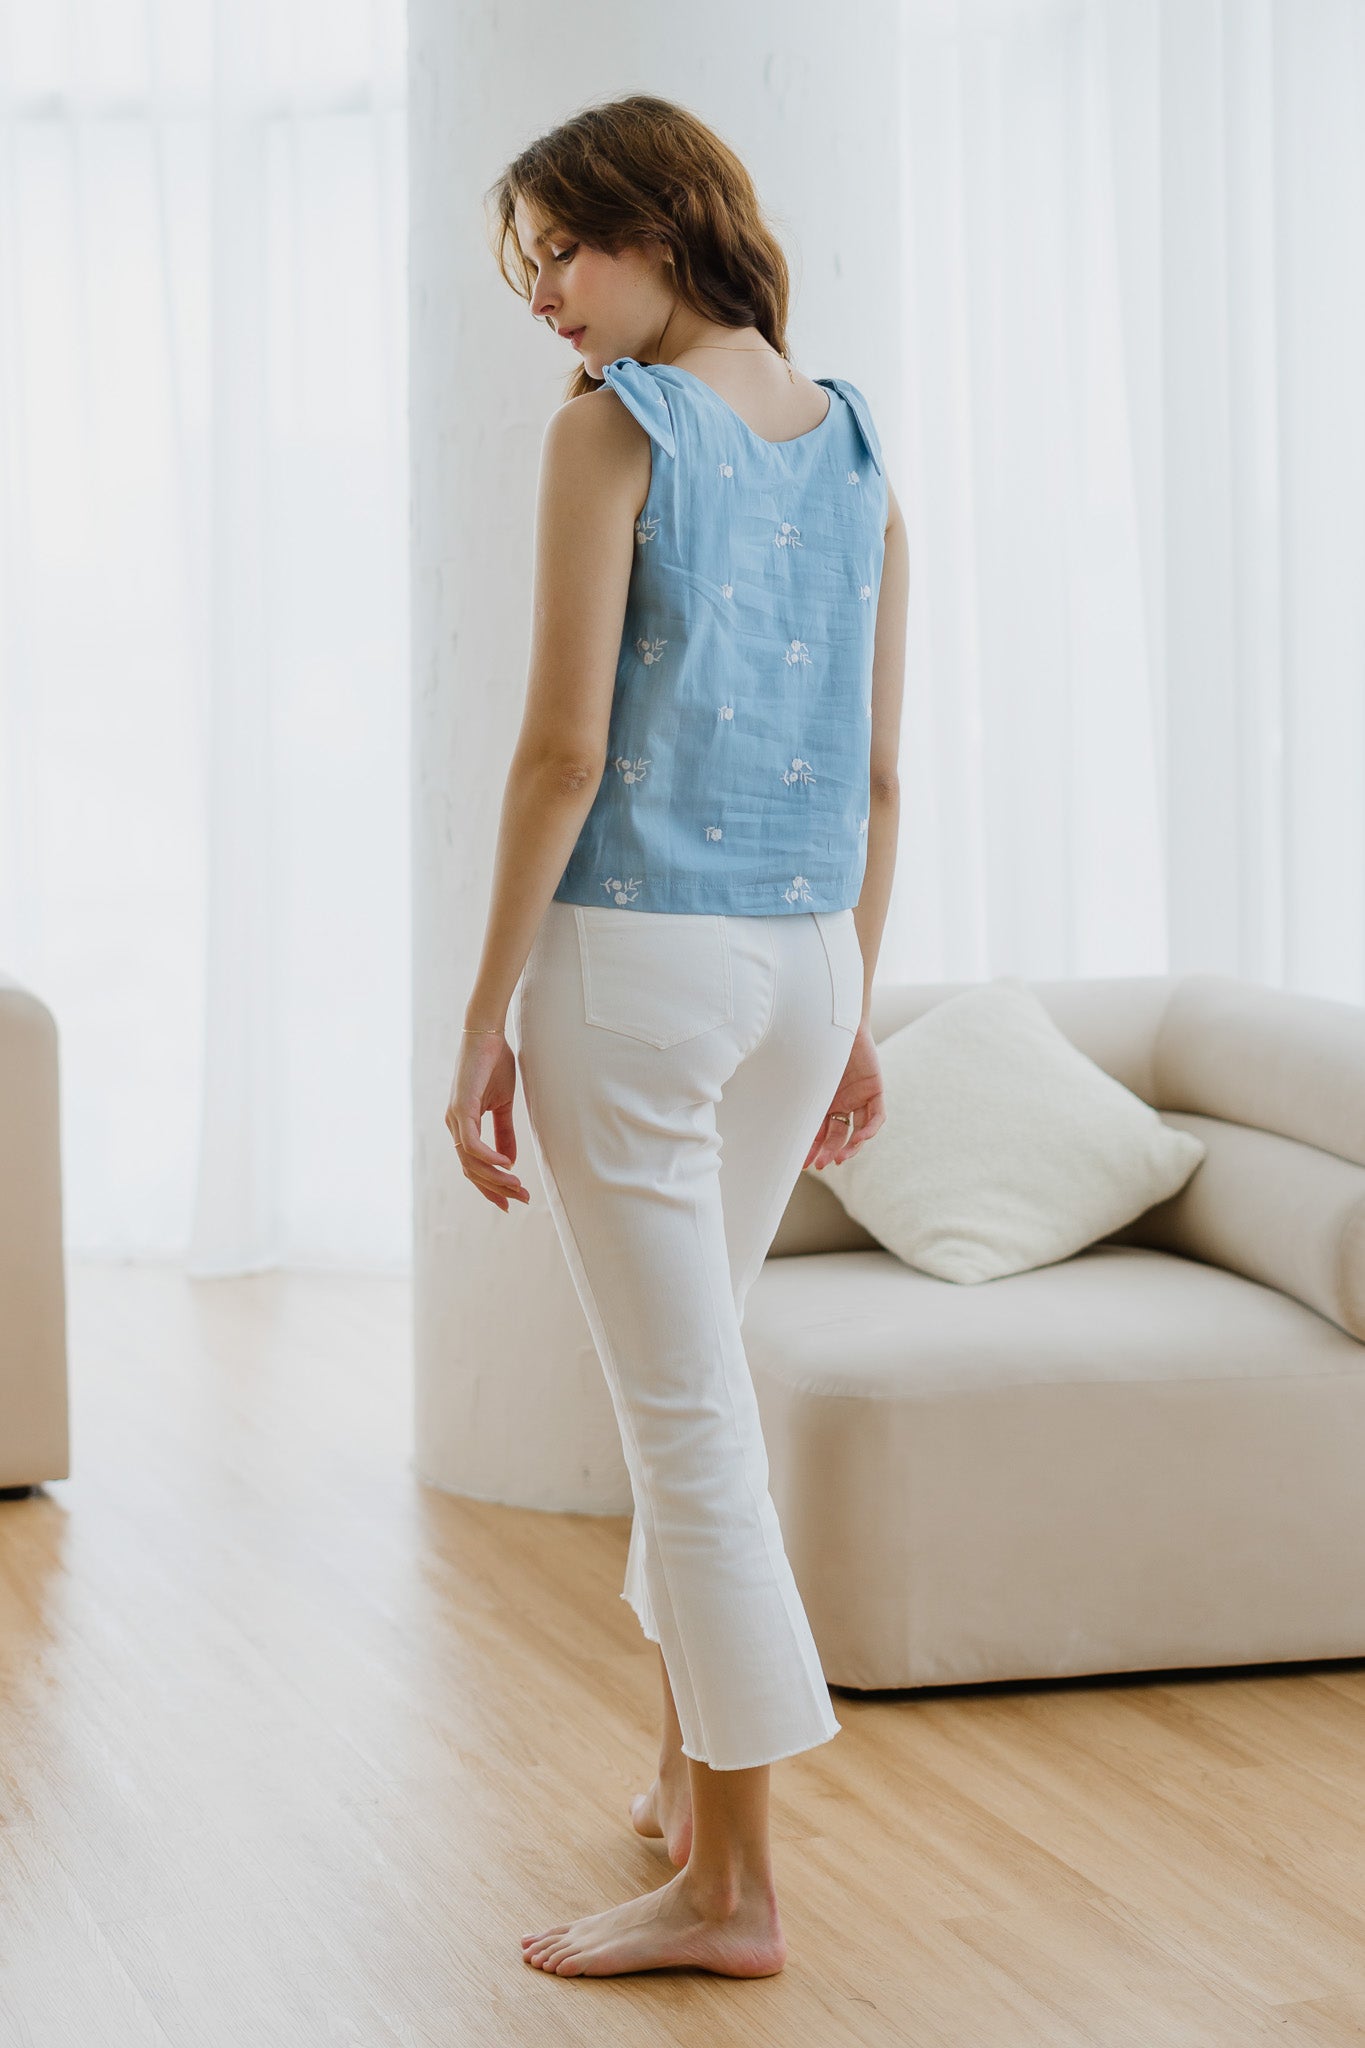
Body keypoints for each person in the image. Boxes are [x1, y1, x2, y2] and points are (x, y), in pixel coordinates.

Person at [446, 93, 908, 1979]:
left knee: (685, 1422)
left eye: (565, 246)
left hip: (635, 964)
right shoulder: (854, 443)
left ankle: (733, 1892)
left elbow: (562, 753)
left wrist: (481, 1017)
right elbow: (877, 780)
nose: (544, 293)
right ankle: (676, 1770)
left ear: (662, 225)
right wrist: (854, 1003)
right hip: (801, 962)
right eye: (528, 262)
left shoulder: (614, 430)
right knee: (698, 1380)